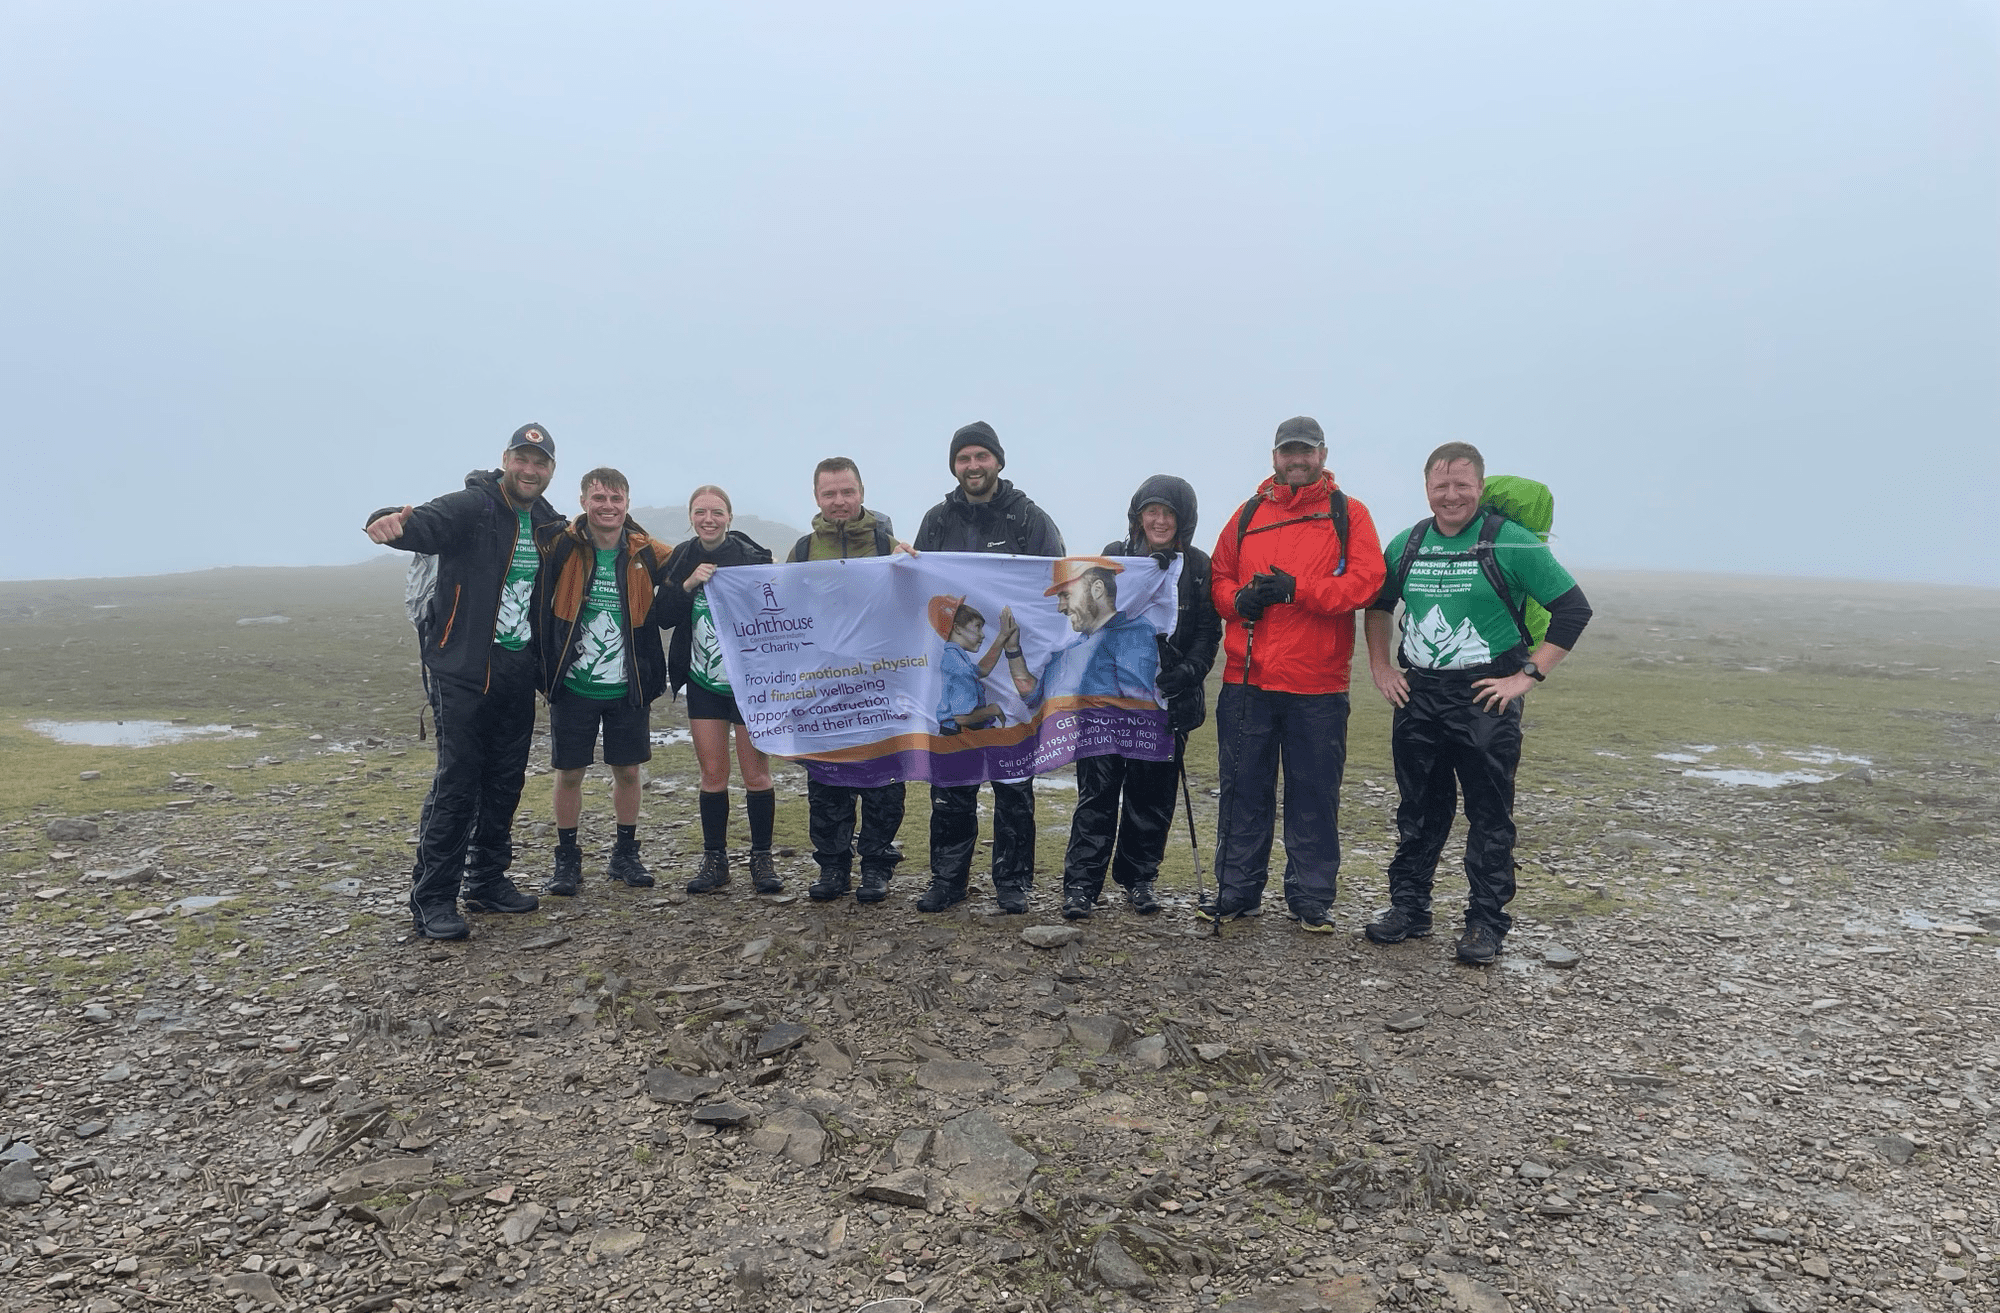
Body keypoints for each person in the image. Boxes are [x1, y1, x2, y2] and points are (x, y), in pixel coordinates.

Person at [1363, 443, 1593, 965]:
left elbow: (1573, 609)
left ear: (1480, 487)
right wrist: (1380, 667)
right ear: (1427, 488)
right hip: (1419, 694)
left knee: (1489, 815)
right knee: (1418, 809)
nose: (1451, 496)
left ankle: (1486, 923)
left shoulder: (1510, 543)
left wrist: (1527, 675)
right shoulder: (1407, 543)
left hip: (1485, 697)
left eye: (1462, 485)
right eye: (1441, 486)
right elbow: (1378, 605)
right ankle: (1410, 908)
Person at [364, 422, 564, 940]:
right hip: (462, 668)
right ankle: (432, 898)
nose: (529, 469)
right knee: (457, 783)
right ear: (506, 460)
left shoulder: (547, 522)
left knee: (505, 780)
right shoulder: (474, 506)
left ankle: (486, 881)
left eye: (540, 463)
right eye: (522, 459)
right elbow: (422, 524)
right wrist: (387, 521)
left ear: (550, 470)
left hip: (517, 668)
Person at [1203, 416, 1386, 933]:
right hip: (1246, 679)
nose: (1297, 460)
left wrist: (1297, 590)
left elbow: (1367, 583)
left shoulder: (1349, 514)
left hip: (1317, 685)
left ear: (1322, 455)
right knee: (1242, 791)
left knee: (1314, 796)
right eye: (1288, 452)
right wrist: (1238, 600)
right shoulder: (1248, 513)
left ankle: (1310, 897)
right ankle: (1237, 891)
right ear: (1275, 457)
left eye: (1306, 451)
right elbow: (1219, 577)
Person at [910, 420, 1064, 914]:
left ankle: (1013, 883)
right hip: (955, 677)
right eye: (964, 458)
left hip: (1012, 680)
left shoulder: (1029, 519)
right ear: (954, 466)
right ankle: (948, 879)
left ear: (998, 461)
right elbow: (917, 588)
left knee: (1013, 785)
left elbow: (1053, 588)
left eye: (981, 456)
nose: (972, 466)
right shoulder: (937, 520)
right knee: (951, 784)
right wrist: (899, 563)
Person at [1059, 475, 1220, 920]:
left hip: (1165, 701)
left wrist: (1189, 672)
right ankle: (1081, 884)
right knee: (1098, 792)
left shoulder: (1198, 566)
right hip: (1106, 700)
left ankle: (1139, 878)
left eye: (1169, 513)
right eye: (1152, 511)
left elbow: (1208, 631)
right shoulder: (1113, 557)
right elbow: (1087, 619)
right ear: (1138, 516)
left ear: (1184, 519)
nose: (1160, 520)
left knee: (1151, 795)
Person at [531, 467, 672, 896]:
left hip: (629, 686)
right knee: (569, 773)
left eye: (615, 499)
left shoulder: (647, 551)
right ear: (583, 502)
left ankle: (625, 854)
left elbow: (699, 562)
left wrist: (758, 563)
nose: (607, 507)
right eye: (599, 498)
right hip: (572, 684)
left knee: (628, 771)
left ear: (627, 503)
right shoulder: (561, 545)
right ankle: (567, 859)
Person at [787, 457, 911, 905]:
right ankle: (833, 866)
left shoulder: (889, 546)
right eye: (829, 493)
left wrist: (913, 567)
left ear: (862, 492)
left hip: (881, 686)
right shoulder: (802, 551)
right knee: (826, 782)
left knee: (883, 782)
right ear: (816, 497)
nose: (839, 501)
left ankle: (876, 865)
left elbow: (913, 607)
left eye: (847, 491)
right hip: (822, 689)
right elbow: (784, 615)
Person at [658, 485, 781, 895]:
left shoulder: (752, 556)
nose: (708, 519)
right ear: (690, 517)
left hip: (750, 685)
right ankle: (715, 860)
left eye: (716, 512)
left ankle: (762, 859)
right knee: (712, 774)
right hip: (703, 681)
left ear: (729, 516)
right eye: (700, 512)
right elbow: (662, 616)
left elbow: (775, 609)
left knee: (756, 775)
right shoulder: (682, 556)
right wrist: (688, 583)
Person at [998, 557, 1161, 704]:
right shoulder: (1068, 649)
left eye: (1066, 596)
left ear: (1097, 589)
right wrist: (1013, 650)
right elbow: (1032, 695)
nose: (1060, 607)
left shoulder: (1130, 634)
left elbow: (1139, 705)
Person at [930, 596, 1008, 734]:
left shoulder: (954, 658)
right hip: (957, 738)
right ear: (957, 628)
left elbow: (982, 670)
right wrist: (992, 710)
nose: (982, 635)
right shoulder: (959, 666)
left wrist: (1002, 636)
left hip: (952, 736)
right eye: (977, 627)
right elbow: (962, 718)